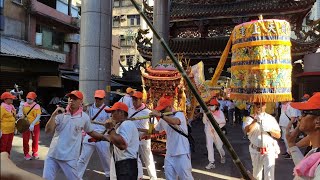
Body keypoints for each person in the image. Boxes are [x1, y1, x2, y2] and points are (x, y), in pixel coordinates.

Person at [43, 90, 108, 180]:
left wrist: (105, 138)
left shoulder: (84, 117)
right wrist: (53, 115)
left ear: (80, 102)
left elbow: (91, 132)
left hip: (69, 158)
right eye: (70, 98)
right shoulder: (60, 113)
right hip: (53, 155)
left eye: (74, 99)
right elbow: (48, 131)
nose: (71, 100)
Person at [150, 96, 194, 180]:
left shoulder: (179, 114)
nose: (161, 111)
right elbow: (154, 131)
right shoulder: (163, 119)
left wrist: (161, 115)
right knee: (169, 177)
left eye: (163, 109)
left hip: (182, 152)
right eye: (160, 109)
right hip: (169, 153)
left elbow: (175, 121)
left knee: (186, 178)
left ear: (170, 107)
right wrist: (150, 120)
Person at [77, 90, 111, 179]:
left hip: (102, 136)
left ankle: (109, 175)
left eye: (100, 98)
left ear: (103, 98)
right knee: (83, 158)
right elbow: (81, 109)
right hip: (90, 134)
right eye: (96, 98)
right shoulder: (89, 107)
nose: (97, 100)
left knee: (106, 158)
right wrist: (81, 106)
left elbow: (112, 122)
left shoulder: (107, 109)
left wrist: (109, 123)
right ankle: (77, 176)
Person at [286, 92, 320, 180]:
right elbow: (305, 171)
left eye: (304, 113)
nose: (300, 117)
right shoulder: (315, 151)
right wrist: (291, 144)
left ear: (318, 121)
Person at [243, 102, 281, 180]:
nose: (259, 106)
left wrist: (269, 130)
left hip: (269, 149)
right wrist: (255, 120)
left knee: (269, 174)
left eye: (262, 104)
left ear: (265, 106)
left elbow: (278, 135)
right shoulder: (249, 118)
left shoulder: (271, 118)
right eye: (257, 104)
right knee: (257, 174)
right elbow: (247, 130)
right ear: (254, 106)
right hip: (256, 150)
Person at [104, 102, 140, 180]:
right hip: (124, 165)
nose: (111, 115)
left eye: (113, 112)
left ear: (121, 112)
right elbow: (112, 138)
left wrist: (110, 129)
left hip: (127, 165)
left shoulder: (127, 124)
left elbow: (122, 145)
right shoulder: (121, 125)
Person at [129, 91, 157, 180]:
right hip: (133, 139)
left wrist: (144, 134)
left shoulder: (148, 112)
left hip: (144, 139)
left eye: (136, 99)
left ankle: (153, 177)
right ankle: (139, 177)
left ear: (141, 100)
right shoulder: (130, 110)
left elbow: (153, 128)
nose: (134, 101)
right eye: (133, 99)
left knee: (148, 158)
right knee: (135, 158)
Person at [203, 99, 226, 169]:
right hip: (208, 131)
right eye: (210, 105)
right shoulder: (207, 112)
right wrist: (205, 115)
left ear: (216, 106)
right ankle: (211, 162)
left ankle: (223, 155)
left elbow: (223, 122)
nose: (210, 107)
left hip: (217, 132)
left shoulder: (220, 113)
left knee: (219, 146)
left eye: (212, 105)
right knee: (209, 146)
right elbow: (204, 122)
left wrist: (216, 128)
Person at [20, 92, 42, 160]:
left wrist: (33, 124)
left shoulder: (37, 106)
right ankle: (26, 153)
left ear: (34, 99)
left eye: (30, 99)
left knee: (35, 139)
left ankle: (35, 152)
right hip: (26, 124)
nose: (28, 100)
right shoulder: (24, 105)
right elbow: (22, 115)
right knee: (25, 139)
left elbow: (38, 116)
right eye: (27, 98)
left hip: (35, 125)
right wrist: (20, 109)